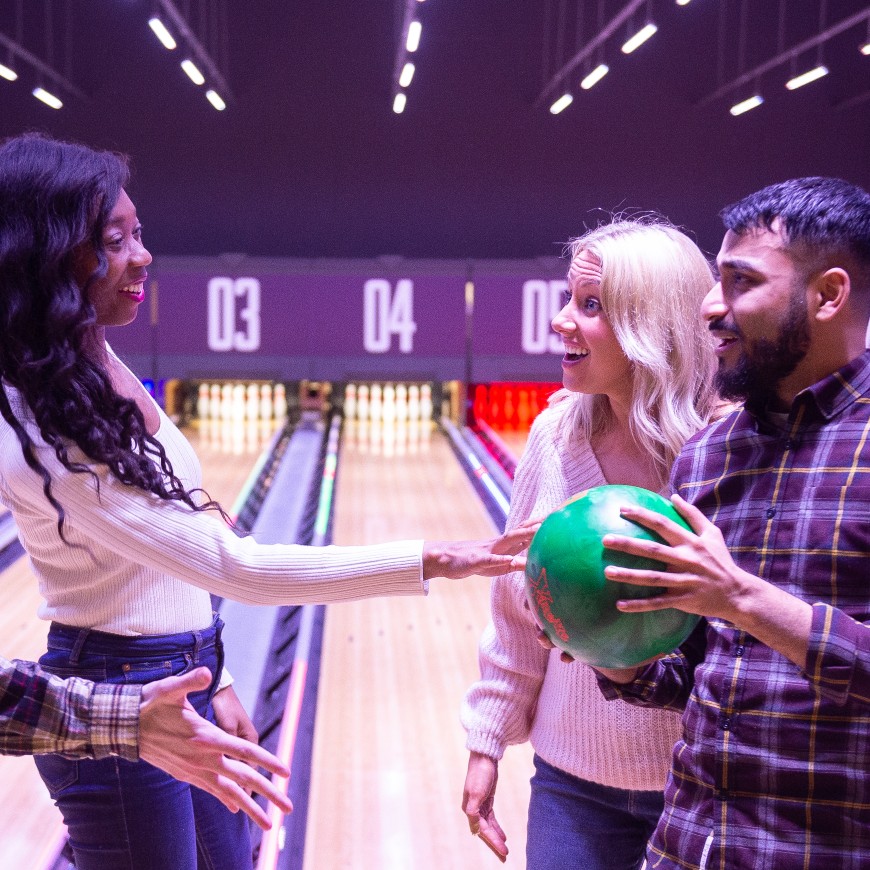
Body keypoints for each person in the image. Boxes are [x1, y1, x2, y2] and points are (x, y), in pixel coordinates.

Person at [0, 132, 536, 870]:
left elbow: (183, 521)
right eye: (114, 240)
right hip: (113, 693)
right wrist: (436, 559)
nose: (143, 255)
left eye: (139, 231)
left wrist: (213, 672)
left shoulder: (88, 353)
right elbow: (237, 566)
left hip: (178, 673)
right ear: (55, 258)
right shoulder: (42, 426)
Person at [594, 177, 870, 868]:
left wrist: (742, 597)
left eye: (741, 282)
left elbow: (735, 606)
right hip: (690, 846)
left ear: (828, 295)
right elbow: (696, 669)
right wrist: (614, 650)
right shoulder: (709, 456)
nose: (711, 309)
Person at [460, 219, 720, 868]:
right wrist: (486, 740)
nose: (559, 320)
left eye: (590, 305)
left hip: (704, 786)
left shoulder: (724, 454)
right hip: (571, 782)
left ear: (651, 325)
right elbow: (517, 608)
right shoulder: (553, 436)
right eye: (568, 298)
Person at [1, 656, 292, 830]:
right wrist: (127, 720)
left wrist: (216, 673)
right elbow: (230, 564)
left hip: (170, 672)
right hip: (108, 684)